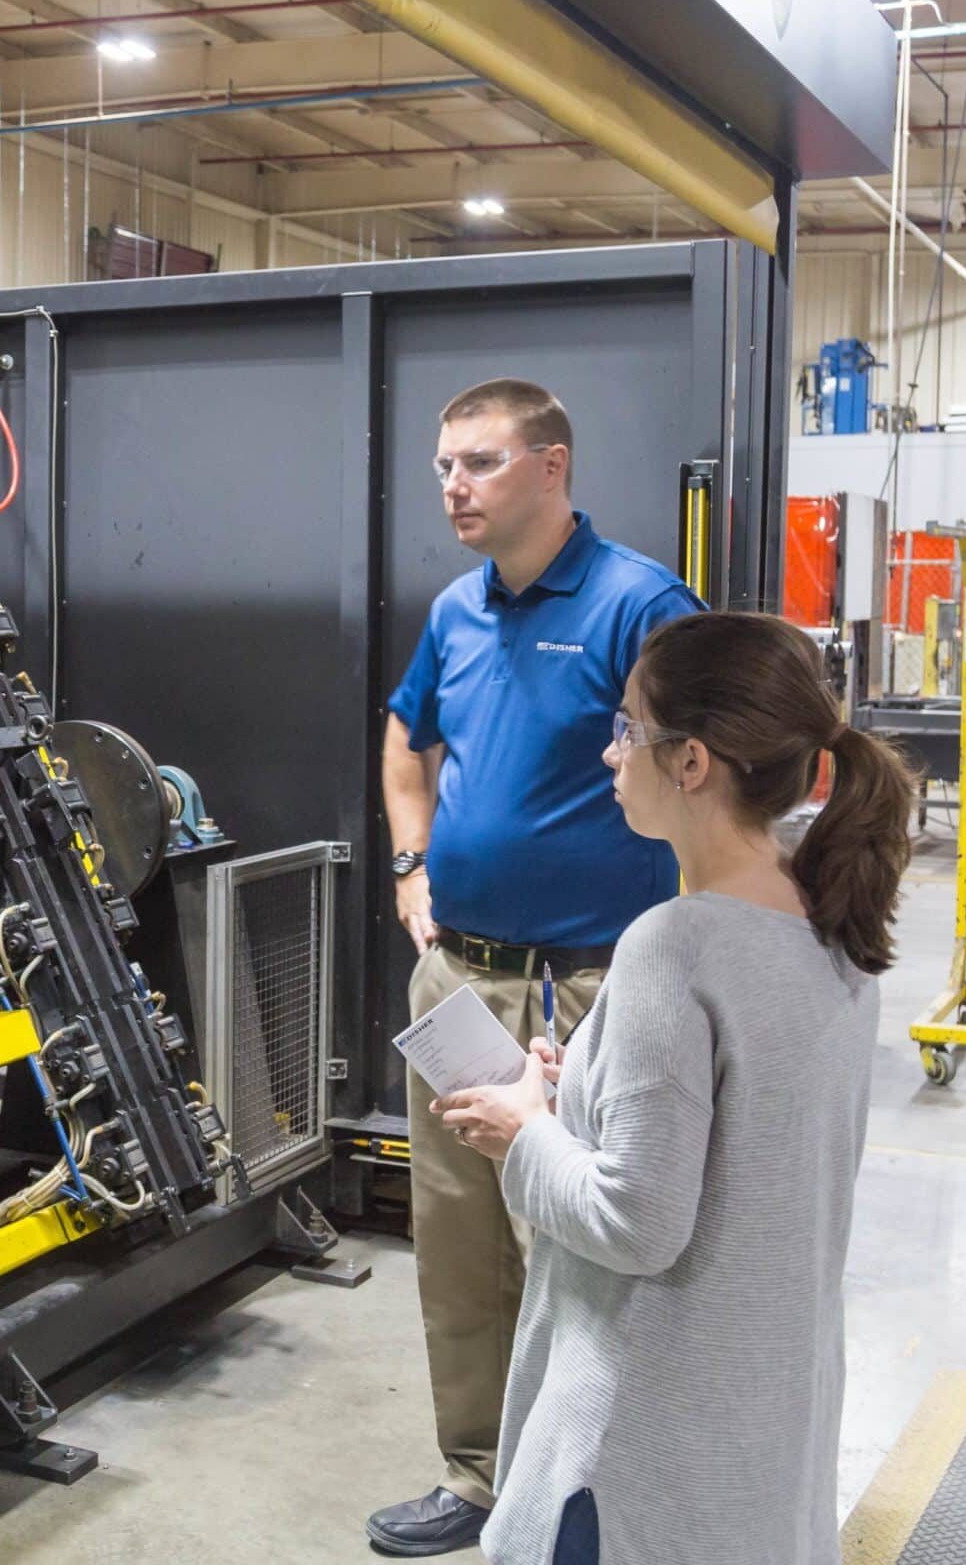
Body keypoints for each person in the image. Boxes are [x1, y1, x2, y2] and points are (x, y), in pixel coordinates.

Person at [434, 611, 915, 1565]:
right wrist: (589, 1095)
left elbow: (636, 1222)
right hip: (759, 1433)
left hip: (643, 1459)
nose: (613, 754)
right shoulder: (832, 922)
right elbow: (750, 1138)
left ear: (690, 762)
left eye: (628, 728)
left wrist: (524, 1134)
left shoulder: (675, 942)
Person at [370, 379, 701, 1557]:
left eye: (478, 461)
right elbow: (406, 736)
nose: (451, 485)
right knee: (458, 1236)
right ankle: (475, 1477)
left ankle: (584, 1487)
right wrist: (412, 865)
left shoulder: (637, 603)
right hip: (458, 973)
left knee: (575, 1246)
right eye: (443, 466)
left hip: (594, 984)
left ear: (550, 467)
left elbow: (703, 762)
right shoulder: (457, 610)